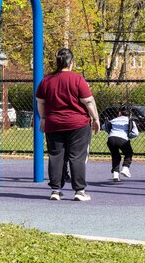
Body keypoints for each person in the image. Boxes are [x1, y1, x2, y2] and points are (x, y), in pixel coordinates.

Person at [36, 48, 100, 201]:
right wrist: (96, 118)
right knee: (77, 156)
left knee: (56, 156)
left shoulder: (47, 80)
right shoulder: (77, 79)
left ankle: (55, 190)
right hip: (78, 123)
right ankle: (79, 191)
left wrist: (43, 118)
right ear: (71, 62)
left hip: (54, 123)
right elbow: (88, 101)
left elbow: (40, 102)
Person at [103, 105, 138, 182]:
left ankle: (115, 174)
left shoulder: (114, 120)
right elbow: (135, 133)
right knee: (129, 153)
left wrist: (111, 132)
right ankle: (125, 168)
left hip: (111, 139)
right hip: (123, 140)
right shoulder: (130, 121)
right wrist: (129, 136)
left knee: (115, 156)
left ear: (119, 113)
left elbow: (104, 127)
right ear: (130, 114)